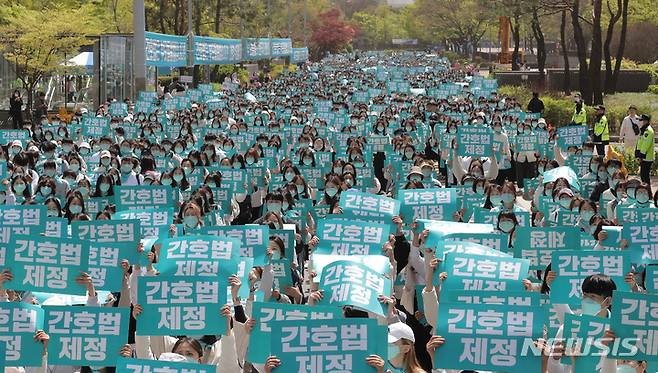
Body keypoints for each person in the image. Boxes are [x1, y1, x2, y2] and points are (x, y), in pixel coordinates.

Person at [635, 114, 655, 185]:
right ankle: (646, 192)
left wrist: (641, 155)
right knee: (643, 176)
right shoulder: (644, 130)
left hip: (646, 157)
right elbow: (640, 143)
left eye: (642, 120)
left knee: (645, 177)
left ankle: (648, 193)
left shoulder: (648, 131)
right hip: (644, 157)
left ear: (646, 121)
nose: (640, 122)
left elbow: (646, 145)